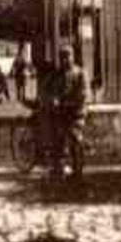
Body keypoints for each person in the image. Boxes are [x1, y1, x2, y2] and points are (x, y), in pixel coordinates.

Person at [52, 47, 88, 181]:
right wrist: (55, 99)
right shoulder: (58, 74)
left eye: (68, 56)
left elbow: (83, 94)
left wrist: (71, 103)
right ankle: (60, 170)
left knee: (76, 141)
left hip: (76, 112)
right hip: (63, 112)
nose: (65, 60)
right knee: (59, 140)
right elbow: (54, 90)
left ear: (73, 56)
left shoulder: (80, 73)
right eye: (62, 57)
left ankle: (78, 171)